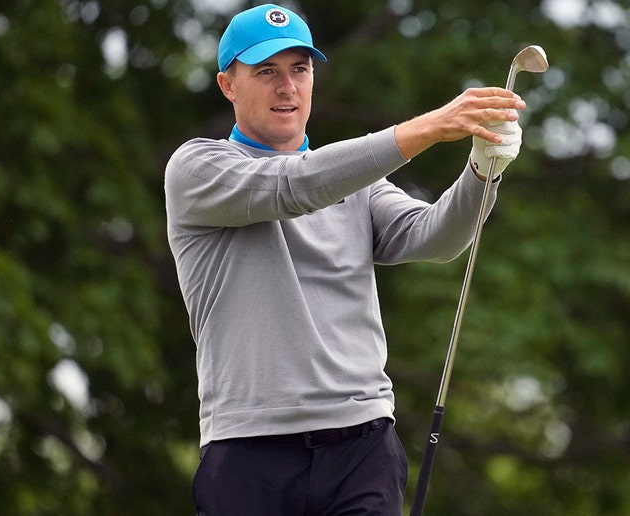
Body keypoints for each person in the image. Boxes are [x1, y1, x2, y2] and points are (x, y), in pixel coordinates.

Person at [164, 4, 524, 515]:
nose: (286, 87)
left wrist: (481, 172)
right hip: (248, 449)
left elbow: (436, 237)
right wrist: (426, 128)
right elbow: (294, 186)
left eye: (300, 69)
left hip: (362, 446)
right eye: (265, 71)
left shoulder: (358, 184)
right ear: (228, 85)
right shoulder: (199, 168)